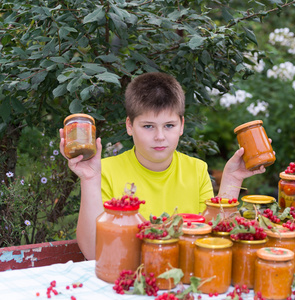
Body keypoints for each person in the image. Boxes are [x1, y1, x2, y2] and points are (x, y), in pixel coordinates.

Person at [60, 72, 268, 260]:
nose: (160, 137)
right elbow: (94, 252)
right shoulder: (105, 172)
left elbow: (216, 240)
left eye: (169, 126)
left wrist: (232, 181)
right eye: (148, 126)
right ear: (129, 126)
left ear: (181, 126)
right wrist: (89, 180)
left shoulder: (196, 170)